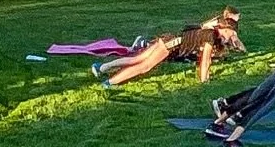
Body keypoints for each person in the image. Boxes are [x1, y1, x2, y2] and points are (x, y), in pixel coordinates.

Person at [95, 8, 244, 87]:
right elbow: (205, 61)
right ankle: (110, 83)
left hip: (168, 40)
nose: (228, 38)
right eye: (228, 34)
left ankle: (101, 67)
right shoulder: (210, 36)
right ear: (224, 28)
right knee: (144, 66)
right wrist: (204, 80)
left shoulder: (209, 31)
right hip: (170, 46)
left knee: (137, 59)